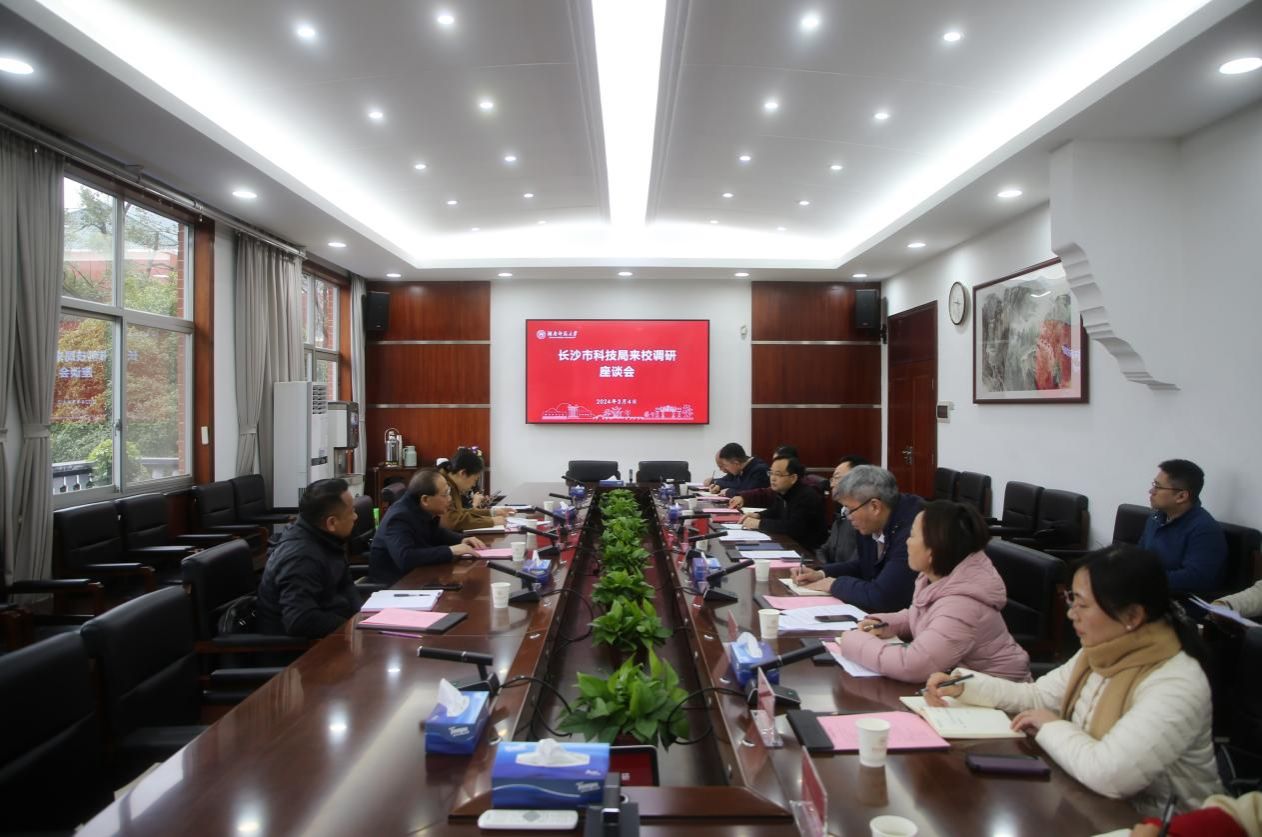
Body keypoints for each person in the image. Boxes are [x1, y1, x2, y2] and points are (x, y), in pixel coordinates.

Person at [924, 545, 1222, 818]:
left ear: (1132, 615)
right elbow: (1037, 697)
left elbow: (1109, 775)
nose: (1071, 614)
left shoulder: (1175, 683)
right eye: (1071, 599)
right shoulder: (1101, 651)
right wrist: (964, 684)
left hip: (1162, 824)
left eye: (1082, 604)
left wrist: (1051, 726)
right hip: (1088, 803)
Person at [838, 501, 1030, 683]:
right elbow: (922, 615)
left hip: (997, 697)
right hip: (957, 686)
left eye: (912, 536)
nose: (907, 542)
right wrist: (885, 624)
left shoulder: (961, 605)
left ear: (933, 550)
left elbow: (913, 666)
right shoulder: (935, 577)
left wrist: (855, 642)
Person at [790, 465, 922, 612]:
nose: (848, 517)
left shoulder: (915, 531)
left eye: (850, 509)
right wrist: (821, 574)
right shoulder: (872, 521)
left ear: (875, 507)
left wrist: (834, 585)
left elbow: (884, 597)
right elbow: (864, 565)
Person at [255, 478, 364, 638]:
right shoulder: (301, 557)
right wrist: (351, 627)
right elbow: (300, 619)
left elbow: (346, 586)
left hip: (336, 633)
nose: (355, 517)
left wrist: (363, 618)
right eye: (351, 512)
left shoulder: (327, 540)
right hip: (298, 648)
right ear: (332, 523)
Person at [369, 467, 487, 586]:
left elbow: (436, 533)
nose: (450, 499)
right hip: (395, 586)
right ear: (425, 499)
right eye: (445, 494)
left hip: (418, 577)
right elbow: (406, 558)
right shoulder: (399, 518)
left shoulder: (420, 508)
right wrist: (451, 551)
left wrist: (461, 539)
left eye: (449, 492)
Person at [1139, 459, 1227, 596]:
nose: (1151, 491)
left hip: (1178, 599)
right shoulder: (1155, 518)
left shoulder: (1205, 529)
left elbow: (1195, 578)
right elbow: (1139, 554)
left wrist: (1144, 580)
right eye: (1153, 484)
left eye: (1158, 487)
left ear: (1181, 496)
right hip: (1148, 590)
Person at [739, 456, 828, 550]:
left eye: (778, 474)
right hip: (789, 543)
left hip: (807, 550)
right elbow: (775, 511)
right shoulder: (784, 491)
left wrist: (760, 523)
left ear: (793, 478)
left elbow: (793, 527)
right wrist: (758, 515)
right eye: (771, 473)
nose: (773, 478)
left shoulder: (806, 497)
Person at [437, 447, 512, 532]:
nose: (473, 485)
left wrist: (492, 512)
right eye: (475, 480)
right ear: (463, 473)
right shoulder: (443, 486)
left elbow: (460, 512)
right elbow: (452, 521)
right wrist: (491, 521)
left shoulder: (451, 483)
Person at [704, 442, 769, 496]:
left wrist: (729, 492)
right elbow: (727, 481)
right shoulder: (738, 469)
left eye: (725, 465)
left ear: (736, 463)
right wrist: (718, 486)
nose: (725, 469)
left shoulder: (760, 470)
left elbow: (748, 493)